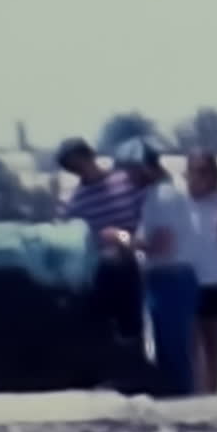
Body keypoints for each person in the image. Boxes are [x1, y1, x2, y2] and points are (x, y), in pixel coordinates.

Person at [104, 137, 201, 397]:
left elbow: (163, 245)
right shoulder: (158, 195)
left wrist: (122, 238)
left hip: (171, 278)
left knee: (173, 349)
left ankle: (182, 402)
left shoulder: (164, 197)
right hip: (166, 278)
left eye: (130, 171)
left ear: (143, 168)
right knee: (167, 346)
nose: (127, 178)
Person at [57, 137, 149, 348]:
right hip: (107, 270)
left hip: (142, 254)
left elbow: (149, 219)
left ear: (90, 156)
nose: (79, 169)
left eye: (80, 161)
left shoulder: (127, 182)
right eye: (72, 166)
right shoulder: (76, 203)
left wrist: (124, 239)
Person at [184, 149, 217, 394]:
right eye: (194, 171)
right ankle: (193, 393)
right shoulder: (180, 204)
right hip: (185, 280)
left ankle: (213, 394)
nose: (199, 177)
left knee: (214, 344)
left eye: (205, 172)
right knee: (189, 344)